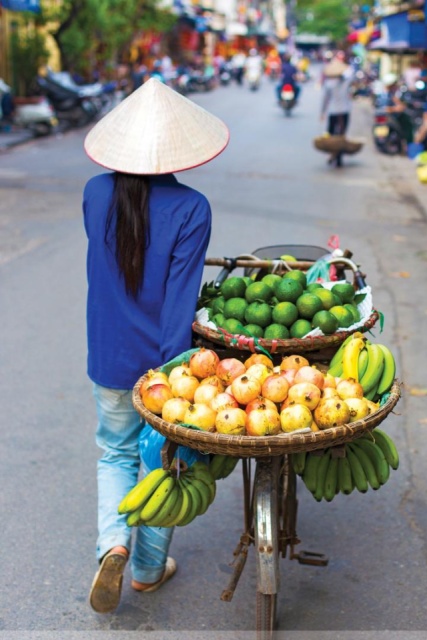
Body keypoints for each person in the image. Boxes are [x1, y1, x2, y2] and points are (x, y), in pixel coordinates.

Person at [83, 78, 229, 614]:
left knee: (114, 452)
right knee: (165, 461)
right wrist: (176, 374)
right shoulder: (192, 208)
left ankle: (112, 544)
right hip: (165, 366)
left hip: (107, 354)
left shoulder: (95, 193)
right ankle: (145, 570)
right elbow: (180, 302)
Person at [320, 55, 354, 167]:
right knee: (341, 135)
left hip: (333, 112)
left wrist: (322, 113)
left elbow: (325, 100)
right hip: (344, 112)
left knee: (331, 135)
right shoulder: (345, 82)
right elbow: (351, 74)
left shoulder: (329, 84)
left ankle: (334, 154)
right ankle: (336, 156)